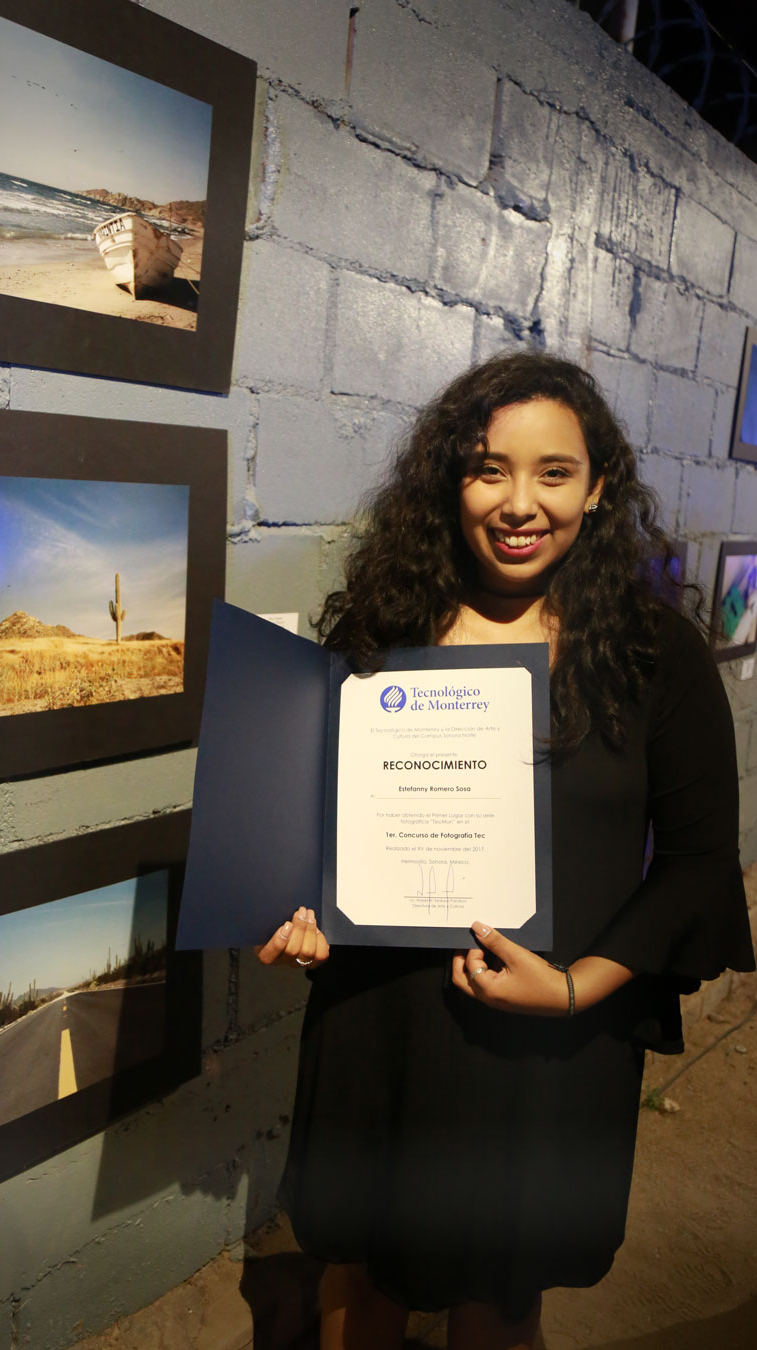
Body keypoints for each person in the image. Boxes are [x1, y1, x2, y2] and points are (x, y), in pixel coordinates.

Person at [255, 350, 755, 1350]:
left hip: (544, 1039)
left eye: (554, 473)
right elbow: (312, 823)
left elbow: (700, 867)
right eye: (489, 468)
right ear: (451, 479)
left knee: (501, 1300)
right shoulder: (381, 631)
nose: (519, 502)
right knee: (364, 1278)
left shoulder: (657, 654)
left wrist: (574, 989)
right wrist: (298, 902)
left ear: (598, 485)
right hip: (379, 1020)